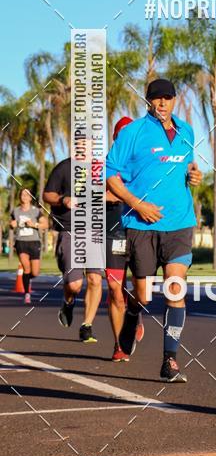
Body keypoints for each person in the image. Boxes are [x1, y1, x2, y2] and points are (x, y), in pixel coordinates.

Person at [105, 78, 202, 382]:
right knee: (143, 295)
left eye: (167, 98)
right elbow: (110, 174)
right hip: (140, 225)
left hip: (179, 223)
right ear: (148, 101)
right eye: (156, 99)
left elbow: (187, 165)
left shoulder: (186, 131)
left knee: (175, 287)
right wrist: (137, 204)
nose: (162, 104)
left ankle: (170, 360)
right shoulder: (132, 132)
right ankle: (133, 316)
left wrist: (193, 174)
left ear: (174, 101)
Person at [43, 154, 103, 342]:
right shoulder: (64, 167)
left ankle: (87, 325)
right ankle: (68, 302)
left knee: (94, 278)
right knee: (74, 285)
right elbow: (47, 195)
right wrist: (63, 200)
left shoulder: (100, 168)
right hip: (70, 230)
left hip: (94, 229)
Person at [105, 116, 138, 362]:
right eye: (121, 134)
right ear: (116, 138)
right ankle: (119, 344)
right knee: (116, 290)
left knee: (140, 290)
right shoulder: (104, 165)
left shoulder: (144, 161)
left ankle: (134, 315)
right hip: (113, 233)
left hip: (140, 232)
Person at [10, 188, 48, 303]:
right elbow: (11, 225)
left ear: (31, 198)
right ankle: (27, 294)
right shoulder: (15, 211)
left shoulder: (35, 211)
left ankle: (27, 279)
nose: (24, 197)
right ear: (20, 197)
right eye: (22, 194)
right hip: (21, 242)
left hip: (34, 242)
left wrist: (34, 224)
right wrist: (12, 225)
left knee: (35, 272)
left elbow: (45, 224)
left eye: (27, 195)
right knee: (26, 268)